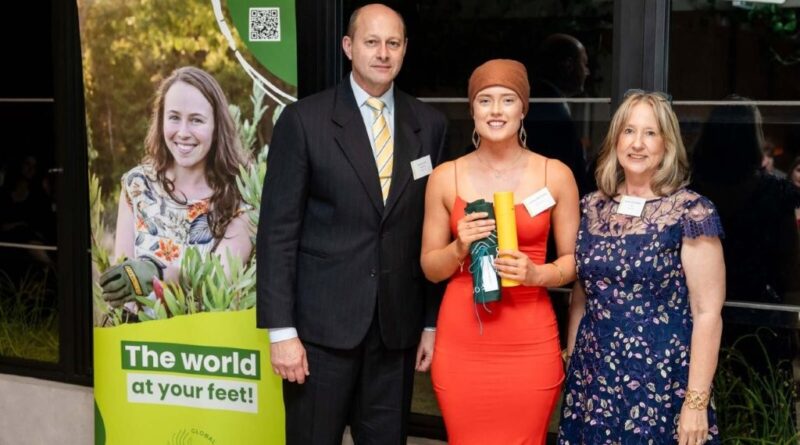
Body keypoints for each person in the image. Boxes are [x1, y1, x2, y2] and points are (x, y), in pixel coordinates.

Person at [256, 4, 448, 444]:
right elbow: (277, 234)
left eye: (393, 43)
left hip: (394, 334)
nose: (383, 53)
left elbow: (433, 232)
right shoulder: (304, 122)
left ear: (404, 51)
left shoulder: (430, 126)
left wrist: (430, 323)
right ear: (348, 47)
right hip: (319, 336)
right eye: (371, 42)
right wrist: (281, 332)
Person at [421, 59, 579, 444]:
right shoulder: (446, 176)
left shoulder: (555, 175)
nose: (495, 111)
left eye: (507, 100)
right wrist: (459, 246)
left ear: (523, 109)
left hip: (529, 338)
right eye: (485, 100)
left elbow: (574, 262)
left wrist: (538, 274)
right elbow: (430, 267)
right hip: (463, 342)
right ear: (471, 109)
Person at [558, 91, 725, 445]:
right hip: (594, 378)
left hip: (662, 383)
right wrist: (572, 363)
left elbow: (707, 312)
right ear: (616, 139)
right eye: (629, 131)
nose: (638, 143)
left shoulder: (691, 212)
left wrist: (696, 401)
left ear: (667, 144)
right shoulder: (592, 207)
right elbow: (581, 294)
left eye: (650, 133)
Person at [100, 66, 253, 312]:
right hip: (142, 345)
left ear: (217, 127)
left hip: (209, 346)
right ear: (160, 121)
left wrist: (156, 272)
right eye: (173, 117)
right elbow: (124, 289)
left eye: (196, 120)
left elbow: (218, 280)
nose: (183, 133)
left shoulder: (240, 196)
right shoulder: (137, 185)